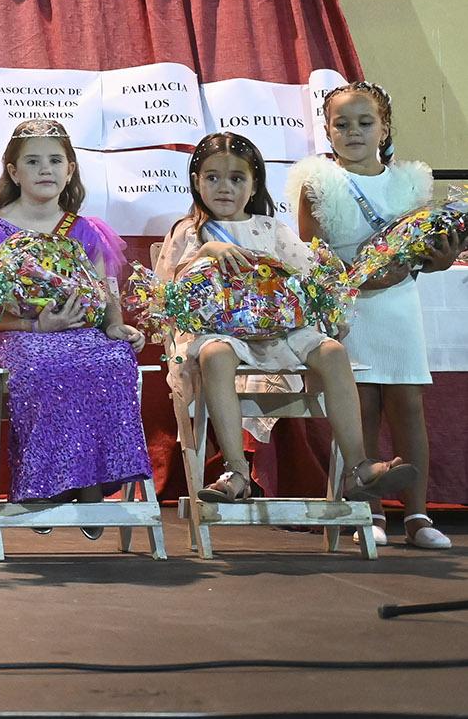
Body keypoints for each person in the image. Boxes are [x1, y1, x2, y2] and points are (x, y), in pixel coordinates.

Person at [155, 132, 416, 510]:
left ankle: (358, 467)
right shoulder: (189, 231)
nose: (224, 187)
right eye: (212, 177)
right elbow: (168, 290)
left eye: (236, 178)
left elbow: (311, 274)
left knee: (331, 351)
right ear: (196, 181)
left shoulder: (271, 229)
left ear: (255, 182)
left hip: (280, 329)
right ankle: (236, 471)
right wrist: (208, 250)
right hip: (220, 332)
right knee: (215, 355)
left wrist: (332, 312)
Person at [290, 82, 462, 550]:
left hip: (399, 306)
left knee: (408, 407)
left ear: (384, 127)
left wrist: (441, 258)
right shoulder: (317, 183)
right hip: (349, 310)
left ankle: (418, 514)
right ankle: (369, 512)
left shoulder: (410, 182)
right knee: (361, 405)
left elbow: (419, 248)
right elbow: (309, 256)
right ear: (326, 130)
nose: (353, 132)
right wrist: (354, 278)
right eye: (341, 124)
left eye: (365, 123)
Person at [0, 119, 149, 532]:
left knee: (113, 358)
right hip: (18, 337)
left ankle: (94, 481)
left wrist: (115, 325)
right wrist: (36, 325)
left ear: (71, 169)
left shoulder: (86, 230)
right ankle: (47, 484)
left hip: (82, 333)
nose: (46, 169)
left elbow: (104, 289)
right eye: (33, 161)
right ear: (13, 172)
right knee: (43, 365)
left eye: (55, 160)